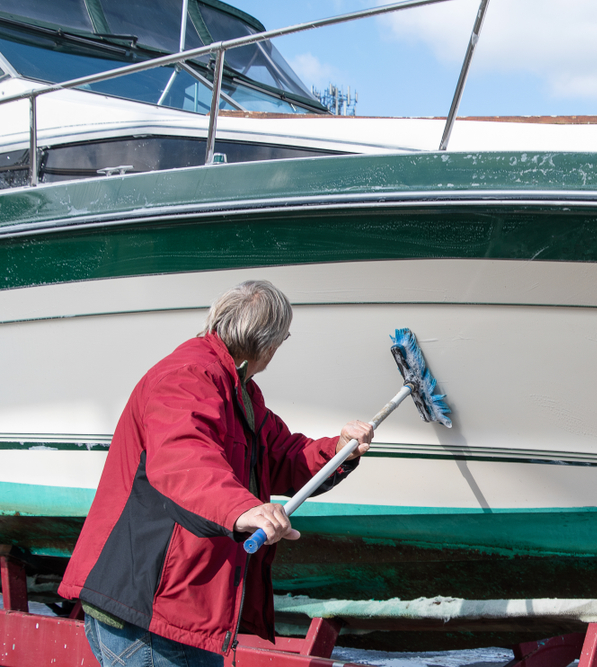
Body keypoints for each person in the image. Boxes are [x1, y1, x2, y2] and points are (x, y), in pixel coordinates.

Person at [57, 280, 374, 667]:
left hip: (177, 611)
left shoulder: (236, 389)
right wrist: (245, 509)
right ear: (269, 344)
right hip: (146, 613)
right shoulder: (188, 377)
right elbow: (184, 461)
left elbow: (283, 456)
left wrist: (338, 450)